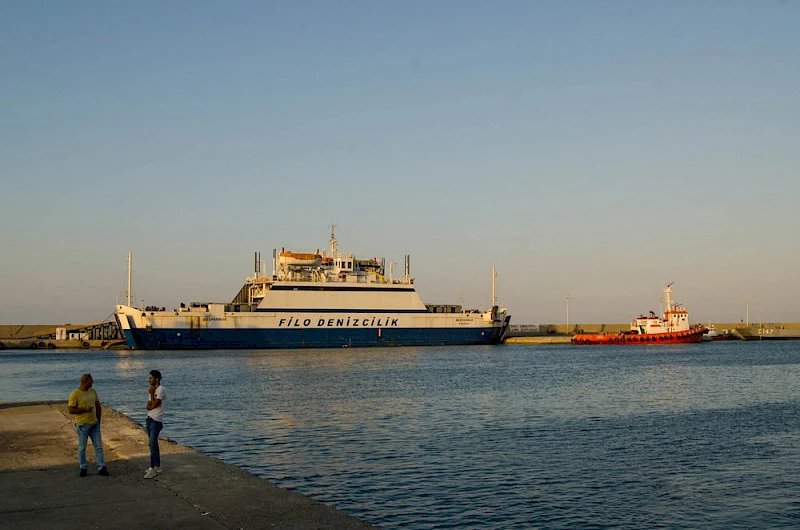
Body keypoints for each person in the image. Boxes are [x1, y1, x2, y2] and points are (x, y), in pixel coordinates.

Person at [67, 373, 109, 477]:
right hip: (82, 425)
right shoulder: (75, 394)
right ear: (85, 381)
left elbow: (97, 405)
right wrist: (84, 409)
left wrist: (99, 419)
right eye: (91, 380)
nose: (93, 382)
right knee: (82, 447)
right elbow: (71, 410)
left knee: (99, 446)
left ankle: (101, 467)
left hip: (94, 424)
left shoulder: (93, 392)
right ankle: (83, 467)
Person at [144, 369, 166, 479]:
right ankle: (157, 465)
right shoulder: (152, 390)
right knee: (153, 443)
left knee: (152, 443)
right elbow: (148, 406)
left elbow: (155, 404)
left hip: (156, 420)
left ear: (156, 379)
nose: (149, 380)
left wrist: (152, 394)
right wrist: (152, 396)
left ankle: (152, 468)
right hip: (150, 418)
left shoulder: (160, 390)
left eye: (151, 378)